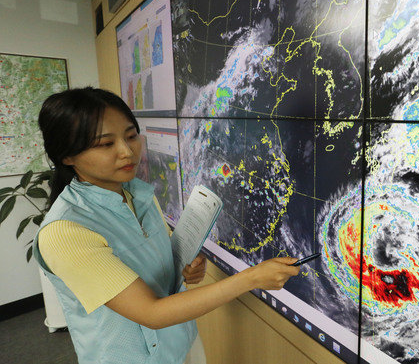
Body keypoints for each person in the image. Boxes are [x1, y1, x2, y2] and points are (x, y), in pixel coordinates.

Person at [33, 87, 300, 364]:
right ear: (67, 156)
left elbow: (150, 263)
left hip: (180, 341)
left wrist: (183, 267)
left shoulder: (137, 193)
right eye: (105, 144)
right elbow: (151, 313)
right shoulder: (64, 232)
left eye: (131, 136)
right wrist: (251, 279)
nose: (127, 151)